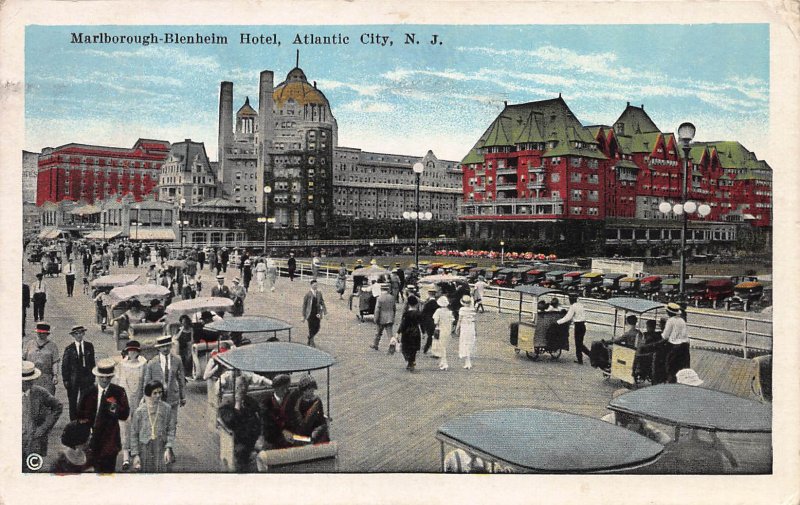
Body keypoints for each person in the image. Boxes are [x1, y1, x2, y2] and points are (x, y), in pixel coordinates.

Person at [76, 358, 131, 473]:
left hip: (110, 440)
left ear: (112, 377)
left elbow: (124, 414)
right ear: (97, 376)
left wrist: (113, 406)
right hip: (91, 440)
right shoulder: (88, 392)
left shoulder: (119, 392)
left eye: (108, 377)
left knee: (108, 474)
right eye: (102, 377)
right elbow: (80, 415)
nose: (105, 380)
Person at [143, 336, 186, 446]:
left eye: (167, 346)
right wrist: (146, 398)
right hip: (157, 398)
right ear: (158, 348)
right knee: (159, 422)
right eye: (162, 346)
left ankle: (169, 447)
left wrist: (183, 396)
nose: (165, 349)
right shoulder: (152, 363)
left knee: (172, 423)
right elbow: (147, 382)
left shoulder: (177, 360)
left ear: (171, 346)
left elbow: (181, 379)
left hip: (173, 396)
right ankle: (161, 445)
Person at [22, 360, 63, 468]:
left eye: (30, 380)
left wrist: (43, 428)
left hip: (35, 442)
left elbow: (58, 407)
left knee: (32, 470)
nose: (28, 383)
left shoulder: (40, 392)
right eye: (25, 381)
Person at [130, 380, 176, 473]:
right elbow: (134, 433)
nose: (158, 395)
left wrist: (168, 448)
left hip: (161, 446)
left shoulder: (167, 409)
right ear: (148, 394)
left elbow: (171, 429)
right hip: (144, 448)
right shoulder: (139, 411)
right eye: (155, 393)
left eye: (160, 392)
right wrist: (135, 454)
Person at [114, 340, 147, 470]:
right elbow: (117, 382)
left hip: (138, 399)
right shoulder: (121, 365)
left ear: (138, 352)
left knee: (138, 425)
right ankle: (126, 455)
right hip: (124, 400)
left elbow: (145, 381)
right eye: (130, 350)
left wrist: (144, 397)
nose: (132, 353)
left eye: (134, 350)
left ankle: (136, 452)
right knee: (125, 427)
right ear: (127, 352)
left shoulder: (143, 364)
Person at [218, 378, 262, 471]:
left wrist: (260, 436)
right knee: (242, 455)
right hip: (238, 439)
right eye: (240, 386)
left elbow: (259, 418)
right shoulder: (227, 404)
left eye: (245, 386)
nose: (243, 388)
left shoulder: (251, 402)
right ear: (234, 387)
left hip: (253, 437)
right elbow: (230, 423)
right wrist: (237, 406)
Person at [602, 389, 671, 444]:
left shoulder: (638, 421)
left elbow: (663, 438)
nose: (624, 413)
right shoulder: (606, 422)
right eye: (620, 409)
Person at [61, 325, 96, 421]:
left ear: (83, 333)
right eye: (76, 334)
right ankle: (73, 421)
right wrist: (66, 379)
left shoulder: (89, 346)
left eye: (81, 333)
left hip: (86, 375)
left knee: (85, 398)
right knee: (73, 399)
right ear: (73, 335)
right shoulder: (69, 348)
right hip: (74, 377)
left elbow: (92, 362)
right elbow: (65, 365)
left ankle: (84, 419)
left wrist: (93, 376)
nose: (79, 335)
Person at [287, 375, 330, 445]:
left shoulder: (316, 401)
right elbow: (296, 416)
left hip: (316, 427)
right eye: (310, 389)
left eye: (312, 389)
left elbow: (312, 419)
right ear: (304, 391)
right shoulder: (299, 402)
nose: (312, 391)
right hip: (302, 428)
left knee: (314, 436)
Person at [261, 374, 299, 449]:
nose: (285, 391)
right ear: (275, 388)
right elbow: (267, 428)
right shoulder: (266, 404)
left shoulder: (293, 400)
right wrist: (282, 433)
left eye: (287, 388)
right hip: (274, 439)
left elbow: (296, 419)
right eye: (282, 389)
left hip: (293, 437)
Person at [23, 322, 60, 395]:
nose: (40, 334)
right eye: (38, 332)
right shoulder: (30, 344)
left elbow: (55, 362)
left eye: (43, 333)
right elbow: (23, 359)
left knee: (46, 399)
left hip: (46, 377)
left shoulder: (52, 346)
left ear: (47, 334)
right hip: (31, 377)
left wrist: (55, 376)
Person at [662, 302, 690, 383]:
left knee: (670, 366)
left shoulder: (670, 321)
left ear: (669, 312)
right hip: (684, 347)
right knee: (683, 367)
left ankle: (670, 382)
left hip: (674, 347)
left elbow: (665, 336)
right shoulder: (682, 320)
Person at [558, 293, 590, 364]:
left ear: (571, 299)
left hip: (578, 326)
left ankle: (581, 360)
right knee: (580, 343)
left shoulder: (573, 307)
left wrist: (558, 322)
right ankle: (590, 355)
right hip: (583, 325)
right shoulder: (580, 305)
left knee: (578, 344)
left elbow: (568, 317)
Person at [396, 295, 424, 372]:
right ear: (416, 304)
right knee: (414, 348)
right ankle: (411, 361)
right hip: (416, 332)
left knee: (405, 348)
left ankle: (409, 361)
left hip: (407, 332)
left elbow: (403, 324)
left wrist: (398, 332)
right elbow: (421, 324)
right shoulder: (419, 313)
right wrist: (423, 332)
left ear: (408, 304)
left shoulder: (406, 314)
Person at [302, 279, 327, 348]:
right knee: (311, 327)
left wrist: (325, 311)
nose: (316, 286)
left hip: (317, 313)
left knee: (317, 327)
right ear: (311, 285)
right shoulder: (308, 294)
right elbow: (304, 305)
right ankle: (312, 341)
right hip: (310, 313)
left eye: (316, 285)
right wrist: (303, 315)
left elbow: (322, 302)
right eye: (314, 285)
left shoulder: (319, 293)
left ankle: (310, 337)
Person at [371, 284, 396, 351]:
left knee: (378, 332)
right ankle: (392, 346)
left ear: (381, 289)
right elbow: (394, 308)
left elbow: (377, 310)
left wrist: (375, 319)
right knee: (390, 334)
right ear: (388, 290)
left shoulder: (379, 298)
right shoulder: (392, 297)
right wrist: (393, 316)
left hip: (381, 318)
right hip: (390, 317)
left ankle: (375, 344)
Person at [456, 295, 477, 370]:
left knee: (464, 342)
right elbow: (474, 320)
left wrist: (457, 328)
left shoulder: (462, 309)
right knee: (470, 342)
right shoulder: (472, 310)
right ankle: (468, 361)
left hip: (464, 327)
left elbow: (459, 320)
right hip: (471, 326)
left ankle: (467, 361)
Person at [433, 295, 454, 370]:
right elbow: (452, 321)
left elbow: (435, 321)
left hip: (441, 329)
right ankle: (442, 361)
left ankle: (444, 363)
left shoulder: (438, 311)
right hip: (448, 330)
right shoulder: (449, 312)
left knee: (441, 347)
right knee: (444, 346)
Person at [420, 287, 439, 355]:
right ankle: (429, 348)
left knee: (430, 336)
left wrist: (422, 325)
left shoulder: (427, 304)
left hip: (428, 322)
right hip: (435, 321)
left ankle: (426, 348)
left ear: (429, 294)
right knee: (433, 336)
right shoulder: (437, 304)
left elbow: (423, 314)